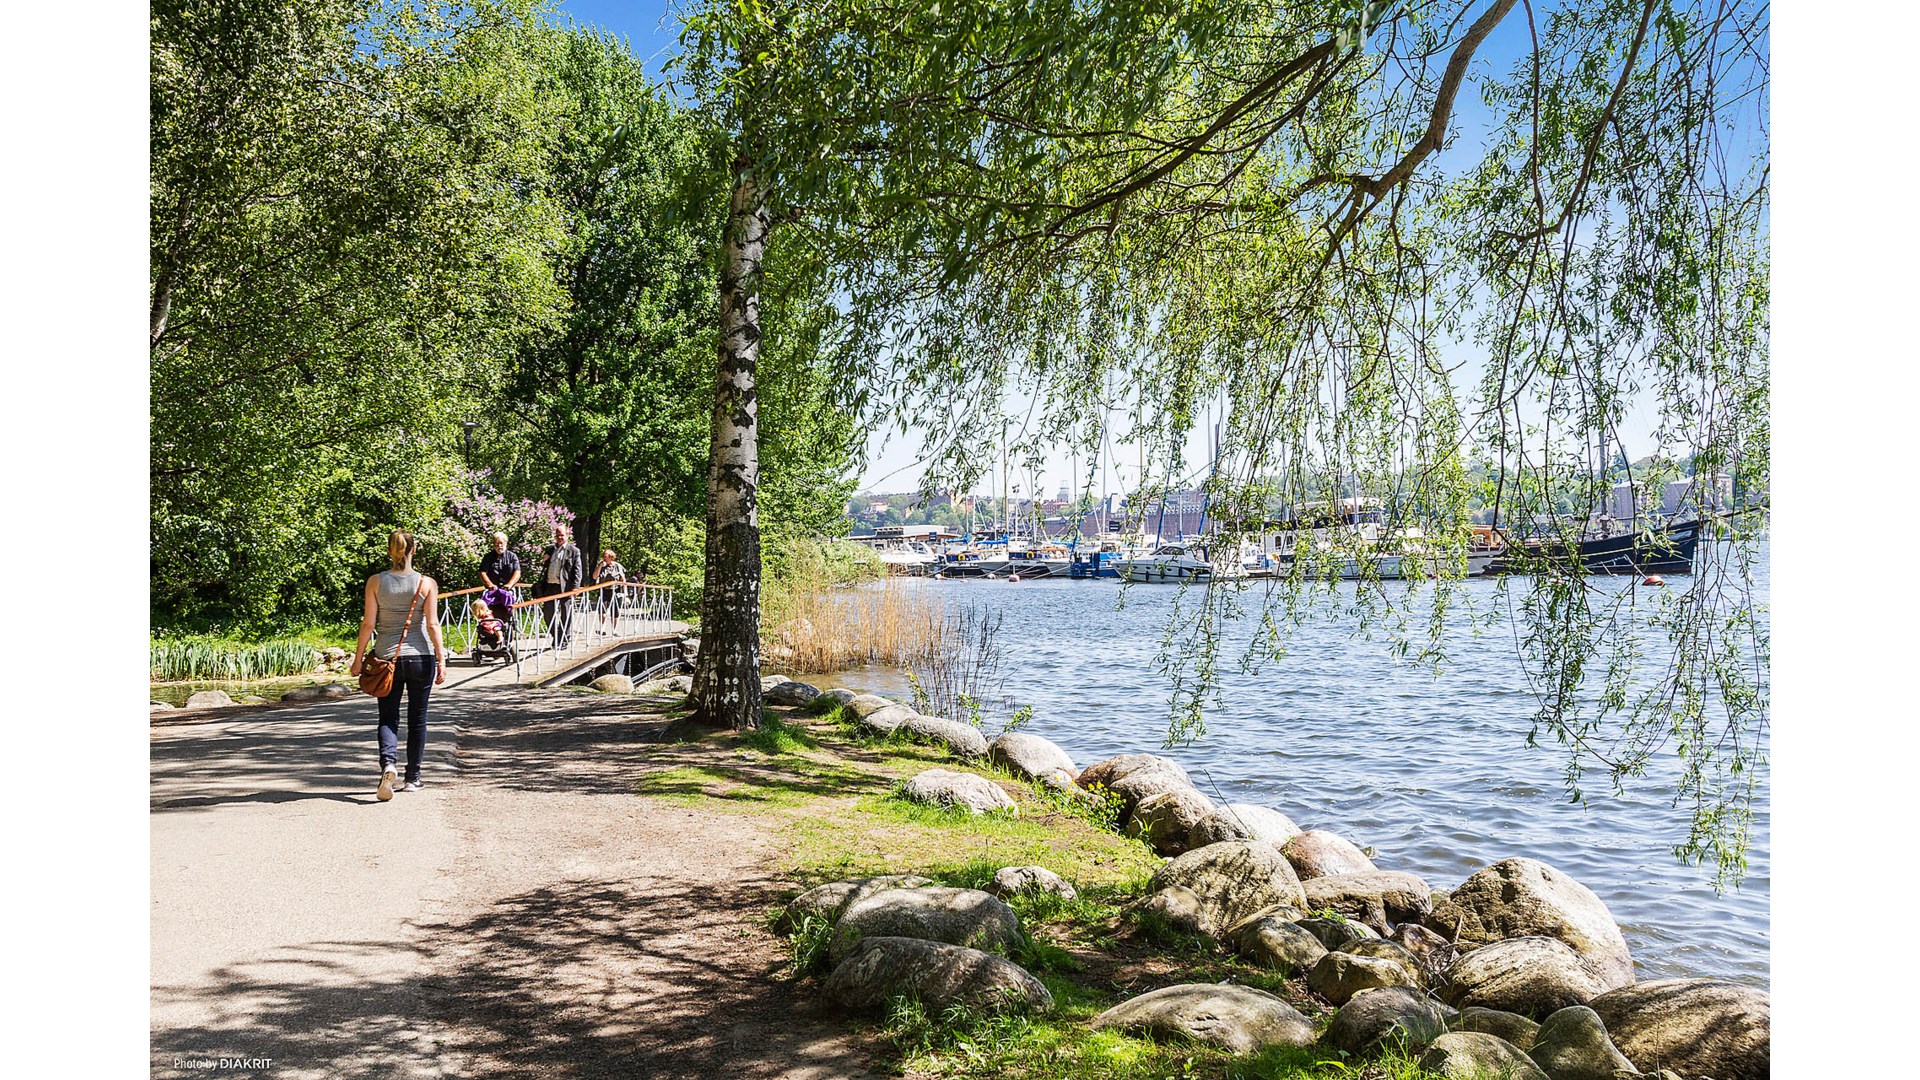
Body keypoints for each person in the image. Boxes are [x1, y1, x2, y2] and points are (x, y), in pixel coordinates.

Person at [350, 529, 447, 801]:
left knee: (388, 716)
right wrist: (441, 659)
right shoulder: (427, 583)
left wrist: (358, 658)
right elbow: (432, 624)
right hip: (420, 658)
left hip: (385, 659)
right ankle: (413, 778)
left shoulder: (375, 582)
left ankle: (388, 765)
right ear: (413, 550)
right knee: (418, 719)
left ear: (390, 551)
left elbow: (368, 624)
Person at [533, 523, 583, 648]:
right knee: (548, 613)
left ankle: (563, 641)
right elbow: (544, 567)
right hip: (550, 585)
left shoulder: (574, 551)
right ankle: (559, 636)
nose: (559, 537)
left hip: (565, 586)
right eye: (557, 535)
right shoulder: (550, 549)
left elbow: (577, 570)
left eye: (562, 535)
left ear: (567, 535)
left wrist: (575, 587)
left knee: (566, 613)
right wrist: (543, 561)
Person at [592, 548, 629, 635]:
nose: (604, 558)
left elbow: (623, 579)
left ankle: (614, 630)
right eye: (603, 556)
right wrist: (600, 566)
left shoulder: (617, 566)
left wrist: (625, 594)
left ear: (611, 557)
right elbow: (594, 577)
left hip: (615, 590)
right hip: (604, 590)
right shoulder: (601, 566)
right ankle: (602, 628)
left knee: (615, 611)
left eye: (606, 556)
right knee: (602, 610)